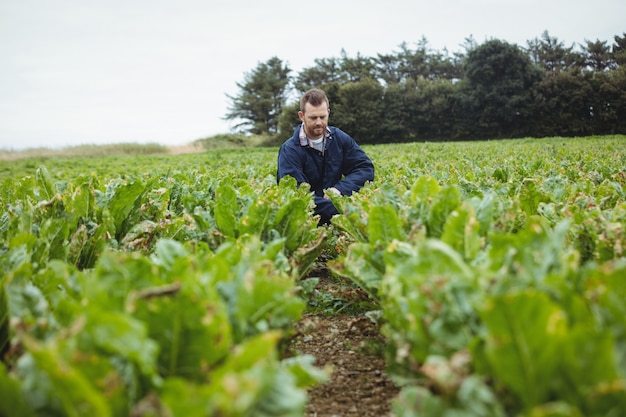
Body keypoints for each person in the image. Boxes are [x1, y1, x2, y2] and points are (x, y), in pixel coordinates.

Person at [277, 88, 374, 225]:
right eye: (313, 118)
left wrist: (339, 189)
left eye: (322, 117)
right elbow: (296, 195)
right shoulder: (290, 150)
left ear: (328, 113)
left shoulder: (339, 138)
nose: (318, 122)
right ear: (301, 116)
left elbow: (365, 168)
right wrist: (343, 211)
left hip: (339, 214)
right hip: (307, 221)